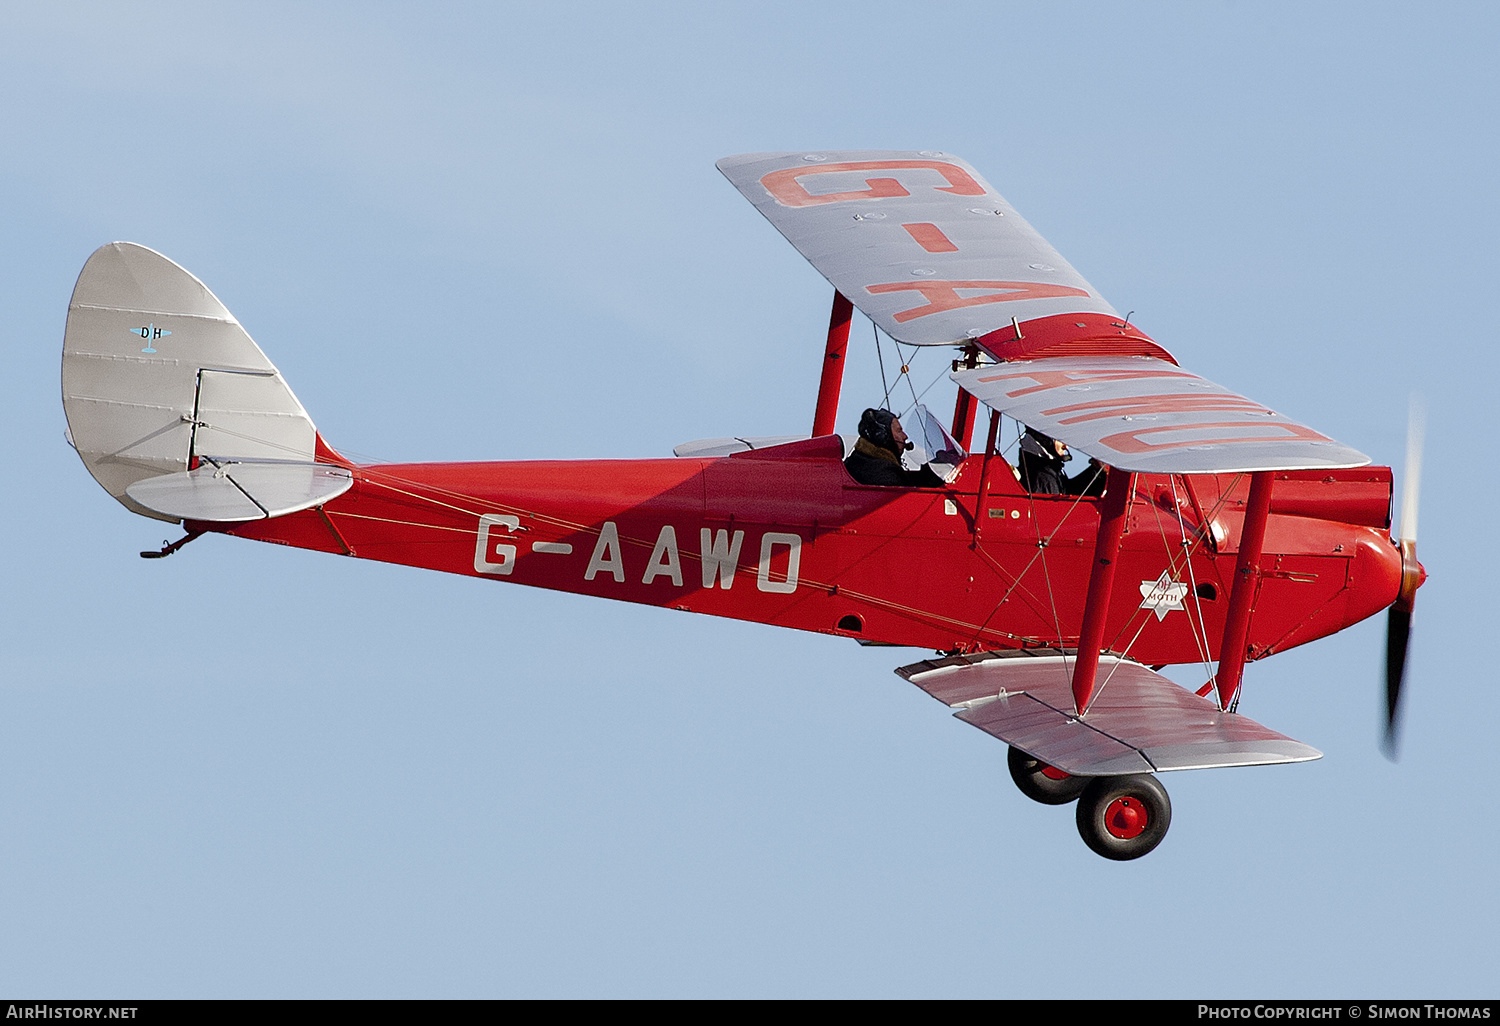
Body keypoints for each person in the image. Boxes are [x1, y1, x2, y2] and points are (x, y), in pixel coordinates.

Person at [844, 408, 945, 487]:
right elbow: (903, 486)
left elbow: (908, 479)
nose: (905, 436)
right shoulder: (881, 472)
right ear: (882, 435)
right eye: (899, 431)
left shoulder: (862, 461)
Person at [1018, 426, 1107, 496]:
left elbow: (1069, 491)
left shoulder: (1048, 469)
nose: (1066, 446)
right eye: (1060, 440)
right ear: (1046, 439)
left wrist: (1096, 472)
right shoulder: (1042, 477)